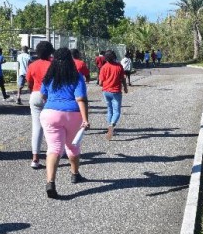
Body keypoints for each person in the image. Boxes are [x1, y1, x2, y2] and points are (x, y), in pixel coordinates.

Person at [39, 48, 90, 199]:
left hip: (50, 113)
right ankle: (75, 174)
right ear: (70, 60)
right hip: (72, 114)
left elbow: (43, 95)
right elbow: (81, 99)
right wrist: (85, 119)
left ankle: (50, 182)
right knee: (72, 146)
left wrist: (51, 104)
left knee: (54, 149)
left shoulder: (49, 77)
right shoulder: (77, 76)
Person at [26, 41, 54, 169]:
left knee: (37, 127)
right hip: (50, 96)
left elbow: (29, 82)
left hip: (35, 94)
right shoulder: (53, 64)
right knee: (51, 127)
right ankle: (52, 155)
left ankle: (35, 158)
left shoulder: (32, 65)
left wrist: (32, 91)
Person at [99, 50, 128, 140]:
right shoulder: (119, 66)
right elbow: (123, 79)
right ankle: (112, 125)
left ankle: (109, 127)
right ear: (114, 56)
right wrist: (125, 87)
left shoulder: (104, 67)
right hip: (116, 91)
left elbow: (100, 83)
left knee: (109, 110)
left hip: (106, 91)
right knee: (117, 111)